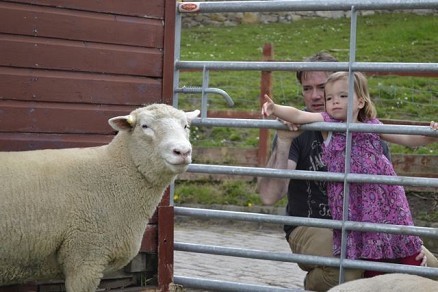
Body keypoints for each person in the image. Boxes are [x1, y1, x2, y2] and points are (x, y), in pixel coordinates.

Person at [257, 52, 438, 291]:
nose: (315, 96)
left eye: (323, 88)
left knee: (428, 267)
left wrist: (429, 135)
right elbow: (269, 197)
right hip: (314, 224)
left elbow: (385, 190)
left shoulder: (368, 128)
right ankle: (316, 284)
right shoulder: (302, 128)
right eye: (307, 88)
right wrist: (283, 140)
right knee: (349, 267)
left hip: (365, 219)